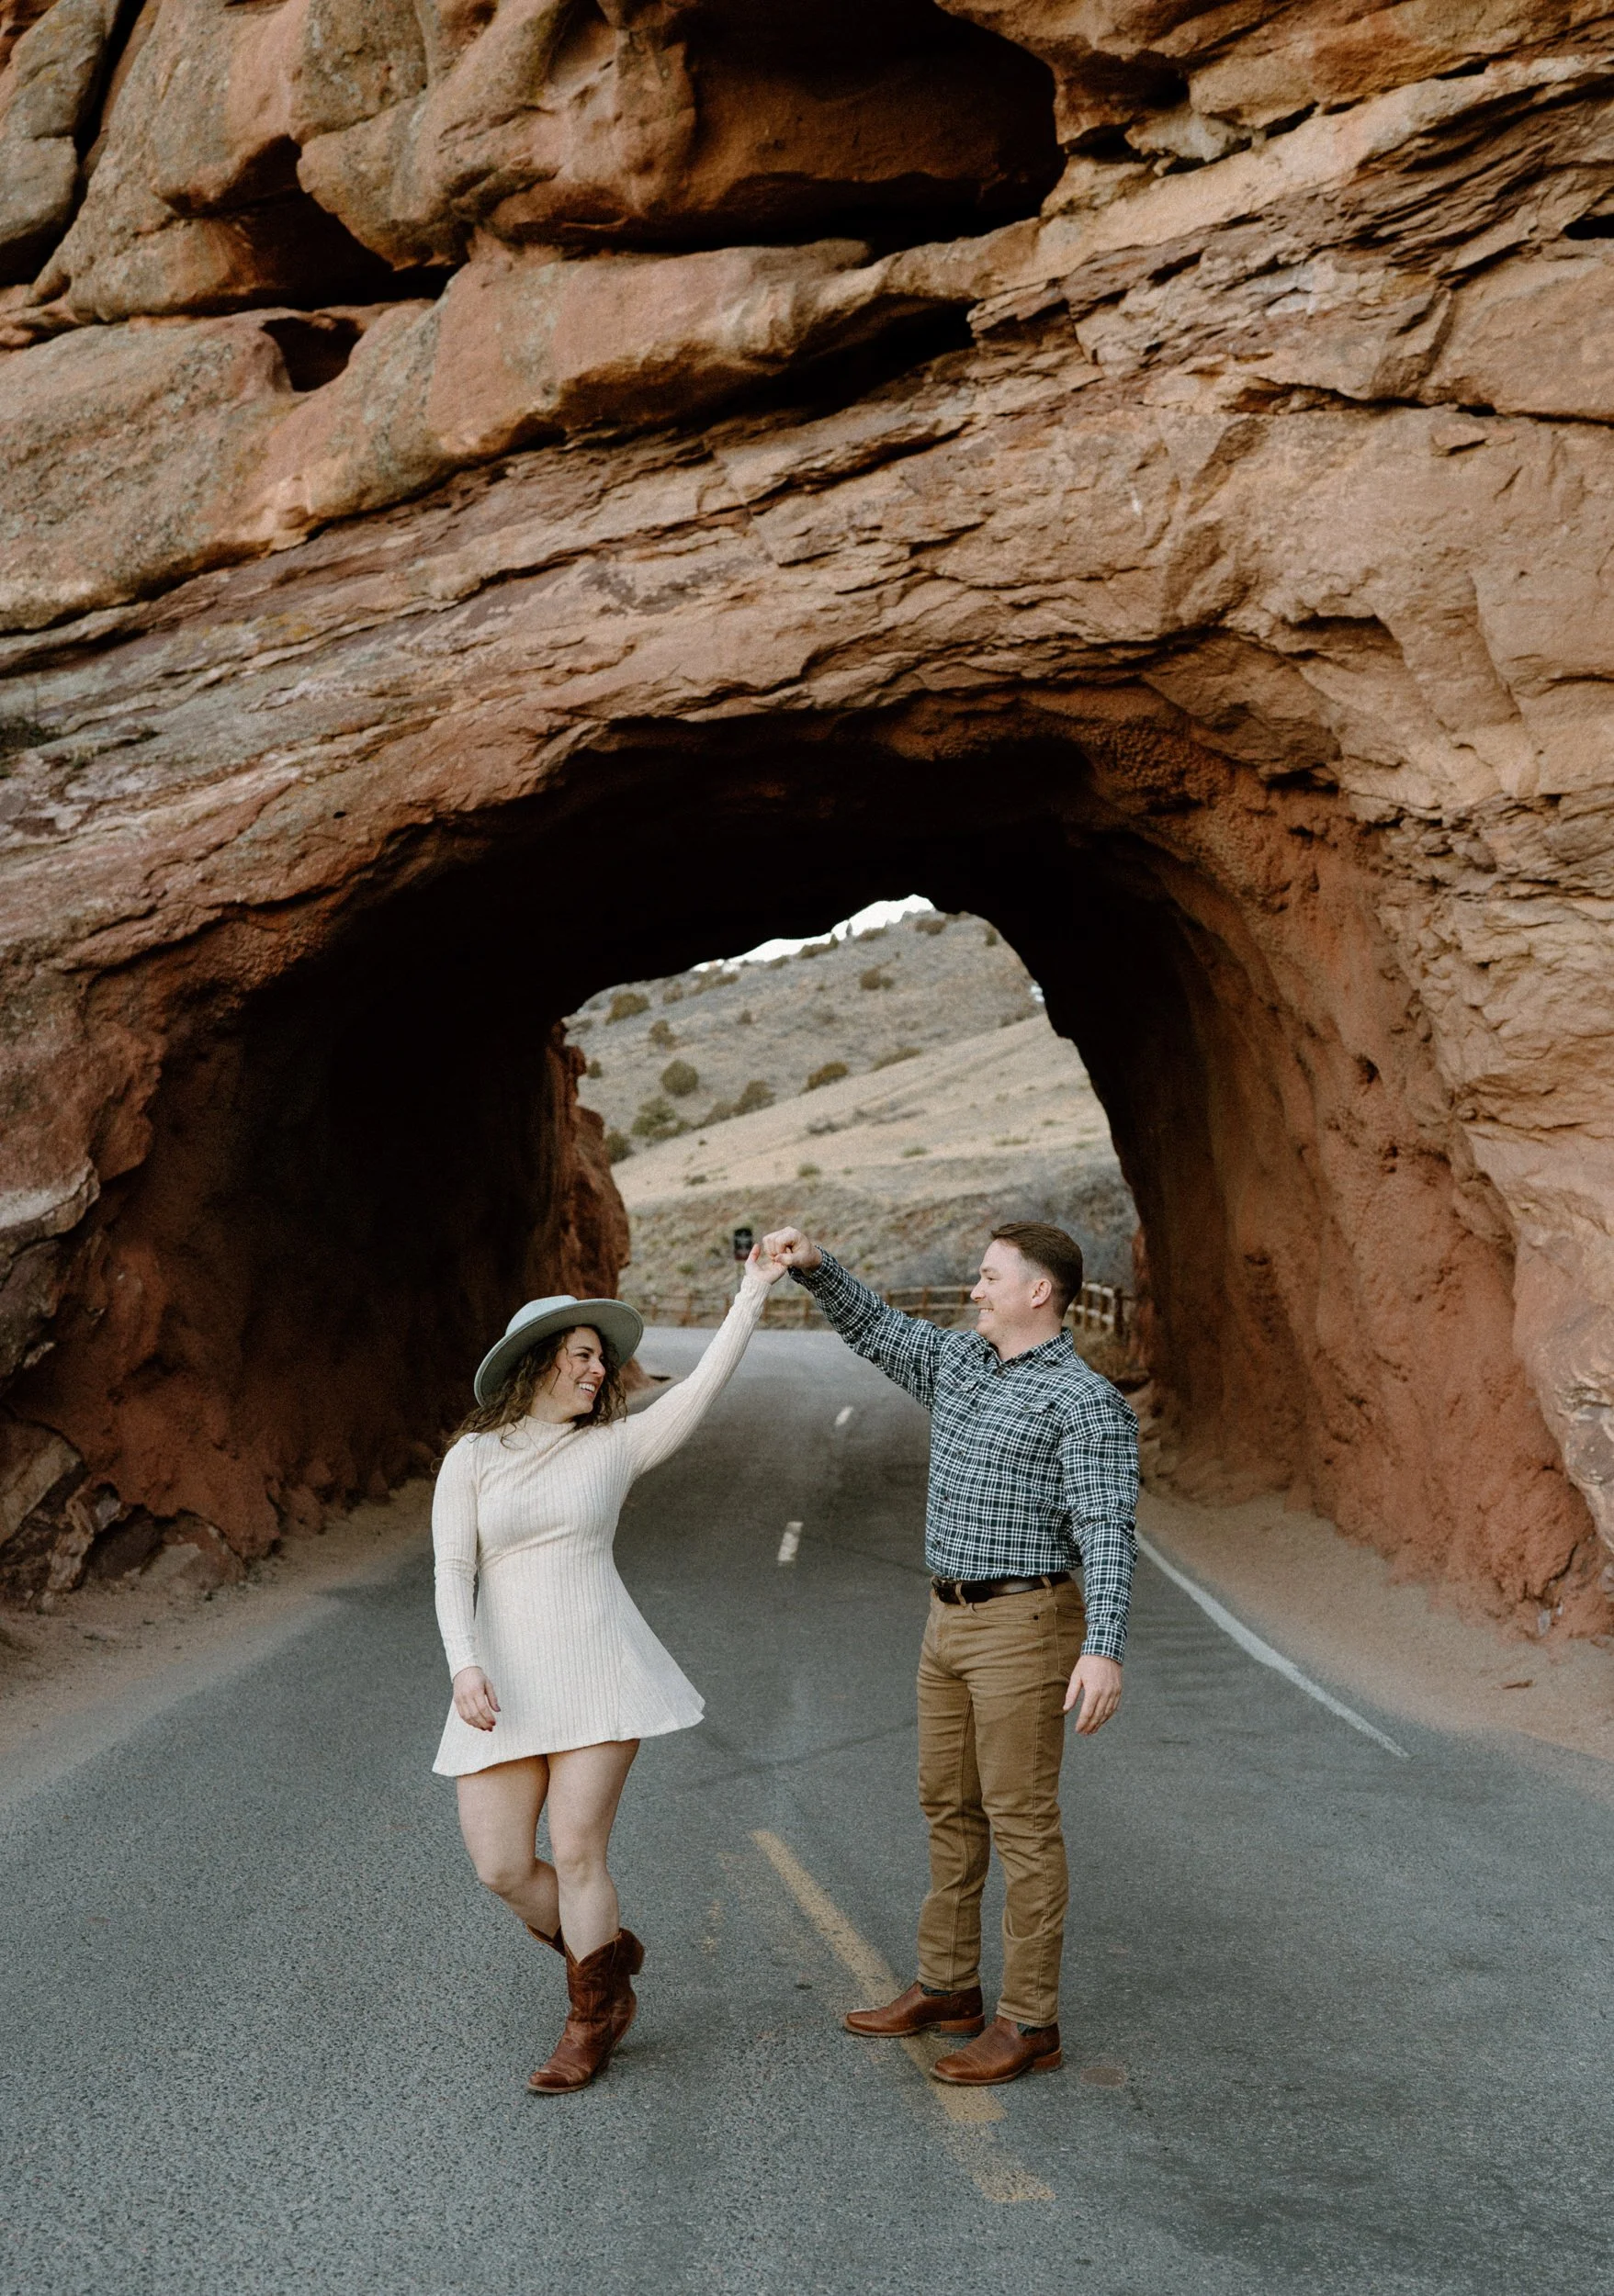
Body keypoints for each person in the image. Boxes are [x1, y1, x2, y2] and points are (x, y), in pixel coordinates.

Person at [762, 1219, 1138, 2087]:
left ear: (1036, 1292)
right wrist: (816, 1266)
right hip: (946, 1621)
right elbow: (878, 1328)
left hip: (1025, 1625)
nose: (974, 1290)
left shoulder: (1083, 1403)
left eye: (987, 1277)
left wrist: (1103, 1646)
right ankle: (948, 1987)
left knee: (1021, 1823)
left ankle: (1029, 2021)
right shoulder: (962, 1365)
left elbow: (1106, 1530)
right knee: (946, 1805)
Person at [431, 1246, 787, 2093]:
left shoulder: (616, 1447)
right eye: (585, 1354)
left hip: (598, 1671)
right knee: (500, 1867)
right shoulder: (472, 1460)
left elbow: (702, 1384)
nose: (601, 1370)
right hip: (501, 1686)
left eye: (603, 1357)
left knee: (578, 1851)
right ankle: (608, 1955)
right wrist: (464, 1667)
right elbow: (453, 1573)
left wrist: (752, 1290)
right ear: (540, 1362)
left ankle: (590, 2018)